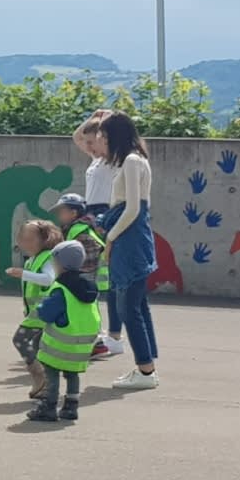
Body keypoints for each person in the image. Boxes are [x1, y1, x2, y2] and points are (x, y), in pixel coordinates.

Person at [99, 112, 160, 390]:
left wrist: (110, 237)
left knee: (128, 308)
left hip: (130, 238)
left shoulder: (133, 161)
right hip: (130, 236)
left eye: (104, 134)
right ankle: (146, 367)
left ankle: (146, 371)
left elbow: (133, 208)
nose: (100, 139)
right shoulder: (133, 160)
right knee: (137, 305)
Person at [28, 241, 101, 421]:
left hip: (59, 344)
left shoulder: (61, 288)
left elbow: (47, 313)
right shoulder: (88, 286)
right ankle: (71, 406)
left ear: (61, 264)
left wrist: (40, 308)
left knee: (52, 373)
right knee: (72, 374)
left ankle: (49, 406)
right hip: (81, 346)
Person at [49, 193, 121, 359]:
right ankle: (95, 344)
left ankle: (95, 344)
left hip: (85, 278)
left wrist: (70, 279)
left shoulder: (77, 231)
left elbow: (78, 258)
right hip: (89, 279)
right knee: (87, 312)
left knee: (82, 312)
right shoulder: (82, 228)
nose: (59, 216)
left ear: (74, 213)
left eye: (62, 211)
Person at [5, 220, 63, 398]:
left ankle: (39, 376)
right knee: (40, 350)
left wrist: (23, 273)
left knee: (20, 340)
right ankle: (47, 390)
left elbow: (48, 279)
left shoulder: (47, 258)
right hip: (34, 313)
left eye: (31, 239)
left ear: (45, 239)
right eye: (23, 239)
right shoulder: (32, 260)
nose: (26, 243)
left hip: (43, 313)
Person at [73, 109, 115, 220]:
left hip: (106, 209)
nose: (87, 147)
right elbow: (77, 137)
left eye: (90, 142)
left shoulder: (112, 159)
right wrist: (92, 117)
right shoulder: (96, 159)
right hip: (89, 209)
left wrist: (108, 123)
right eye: (86, 142)